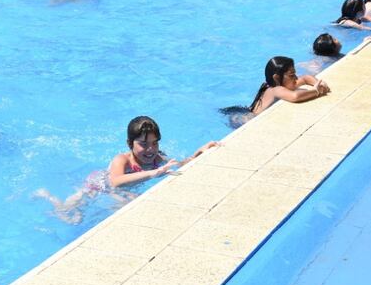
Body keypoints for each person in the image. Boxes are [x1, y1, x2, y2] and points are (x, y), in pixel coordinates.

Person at [33, 116, 219, 224]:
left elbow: (180, 164)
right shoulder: (121, 159)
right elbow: (116, 182)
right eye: (143, 144)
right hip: (97, 187)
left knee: (132, 206)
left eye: (154, 144)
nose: (150, 149)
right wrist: (153, 173)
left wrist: (200, 152)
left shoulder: (157, 156)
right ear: (130, 144)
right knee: (71, 218)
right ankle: (46, 195)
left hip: (119, 191)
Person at [250, 56, 330, 116]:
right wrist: (316, 91)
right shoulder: (276, 89)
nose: (296, 78)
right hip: (247, 120)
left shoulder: (277, 84)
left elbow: (305, 78)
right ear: (276, 78)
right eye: (291, 75)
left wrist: (319, 83)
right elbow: (295, 96)